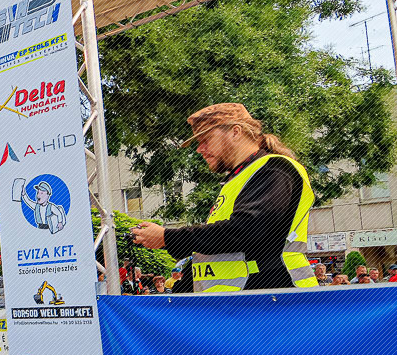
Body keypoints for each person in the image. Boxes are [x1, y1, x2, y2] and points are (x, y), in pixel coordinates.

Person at [130, 103, 318, 293]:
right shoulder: (238, 179)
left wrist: (167, 237)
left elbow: (245, 230)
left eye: (206, 139)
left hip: (276, 298)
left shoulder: (274, 168)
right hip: (246, 299)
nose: (199, 149)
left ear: (236, 132)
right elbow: (218, 249)